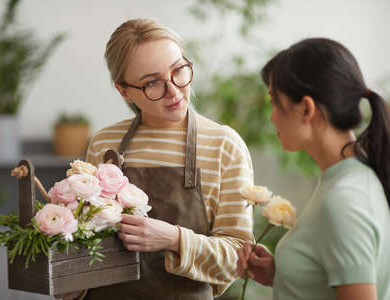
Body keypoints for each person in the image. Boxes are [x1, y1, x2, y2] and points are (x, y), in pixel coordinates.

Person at [61, 18, 254, 300]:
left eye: (179, 71)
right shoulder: (104, 143)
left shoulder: (224, 145)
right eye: (153, 83)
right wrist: (72, 284)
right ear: (124, 91)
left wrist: (174, 239)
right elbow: (87, 247)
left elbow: (239, 259)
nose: (174, 91)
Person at [236, 38, 390, 300]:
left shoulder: (345, 199)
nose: (272, 116)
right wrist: (286, 275)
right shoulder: (350, 178)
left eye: (274, 101)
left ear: (306, 108)